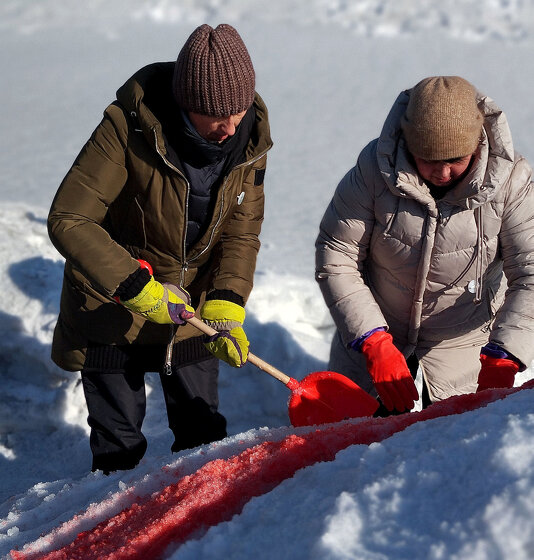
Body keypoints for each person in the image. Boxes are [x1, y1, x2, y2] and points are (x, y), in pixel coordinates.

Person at [48, 24, 272, 472]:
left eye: (239, 110)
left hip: (191, 313)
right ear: (186, 104)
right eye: (216, 116)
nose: (229, 127)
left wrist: (227, 302)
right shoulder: (126, 129)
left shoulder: (248, 140)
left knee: (203, 444)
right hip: (112, 307)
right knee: (119, 450)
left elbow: (240, 233)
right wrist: (137, 287)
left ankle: (201, 537)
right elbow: (69, 219)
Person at [315, 75, 534, 415]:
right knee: (354, 446)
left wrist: (504, 357)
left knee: (447, 454)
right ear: (408, 145)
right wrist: (372, 340)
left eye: (456, 160)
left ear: (477, 146)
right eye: (429, 159)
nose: (443, 173)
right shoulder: (375, 169)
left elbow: (531, 273)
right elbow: (337, 253)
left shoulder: (512, 181)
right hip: (377, 335)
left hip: (463, 346)